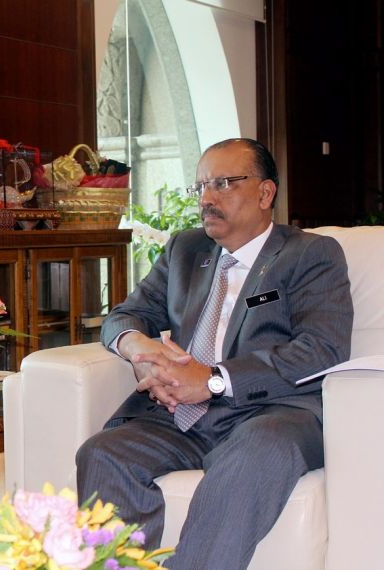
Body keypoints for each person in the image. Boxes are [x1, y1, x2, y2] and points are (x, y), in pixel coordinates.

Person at [76, 138, 352, 569]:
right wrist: (139, 348)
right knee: (103, 453)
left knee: (253, 456)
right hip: (178, 415)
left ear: (265, 193)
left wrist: (212, 380)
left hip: (271, 413)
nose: (206, 198)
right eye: (201, 186)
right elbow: (125, 315)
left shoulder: (310, 254)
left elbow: (323, 349)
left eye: (223, 183)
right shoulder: (186, 250)